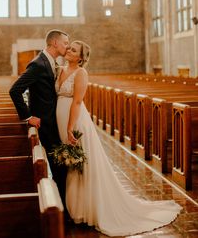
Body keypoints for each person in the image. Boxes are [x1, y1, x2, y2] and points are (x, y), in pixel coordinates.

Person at [55, 40, 182, 237]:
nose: (68, 50)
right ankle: (75, 207)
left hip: (75, 120)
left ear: (81, 58)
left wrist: (70, 127)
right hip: (60, 116)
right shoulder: (60, 69)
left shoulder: (81, 73)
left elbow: (78, 101)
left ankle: (85, 210)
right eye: (69, 47)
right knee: (70, 162)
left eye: (73, 49)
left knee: (80, 161)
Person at [9, 29, 69, 204]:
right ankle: (60, 207)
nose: (67, 46)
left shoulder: (50, 62)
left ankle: (64, 204)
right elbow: (15, 90)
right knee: (58, 166)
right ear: (55, 43)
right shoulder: (38, 64)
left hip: (54, 121)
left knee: (60, 165)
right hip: (46, 124)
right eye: (65, 43)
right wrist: (28, 117)